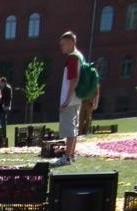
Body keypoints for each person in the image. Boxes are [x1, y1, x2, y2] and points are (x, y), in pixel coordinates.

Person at [58, 31, 84, 165]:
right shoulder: (79, 56)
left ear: (71, 43)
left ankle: (67, 156)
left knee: (69, 128)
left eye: (63, 44)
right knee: (73, 127)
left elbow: (74, 79)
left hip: (71, 99)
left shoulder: (73, 57)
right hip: (77, 98)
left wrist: (66, 101)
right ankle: (71, 155)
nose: (61, 47)